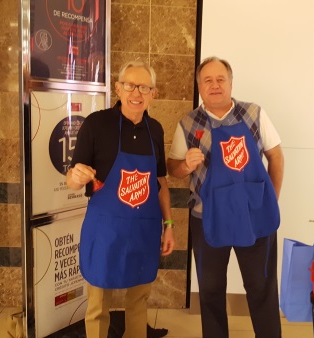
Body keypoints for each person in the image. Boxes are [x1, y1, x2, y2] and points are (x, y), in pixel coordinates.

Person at [167, 56, 284, 338]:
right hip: (208, 219)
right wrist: (186, 165)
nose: (215, 85)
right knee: (209, 290)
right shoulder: (188, 123)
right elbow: (172, 169)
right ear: (199, 87)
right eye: (207, 80)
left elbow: (276, 156)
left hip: (253, 217)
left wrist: (270, 200)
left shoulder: (254, 113)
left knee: (261, 287)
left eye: (221, 79)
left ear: (231, 83)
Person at [66, 61, 175, 338]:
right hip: (105, 231)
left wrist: (169, 224)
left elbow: (160, 182)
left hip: (143, 230)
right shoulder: (96, 124)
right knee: (98, 305)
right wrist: (76, 178)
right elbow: (72, 177)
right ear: (118, 88)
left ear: (154, 93)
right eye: (129, 85)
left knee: (138, 301)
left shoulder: (156, 130)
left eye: (144, 87)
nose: (136, 93)